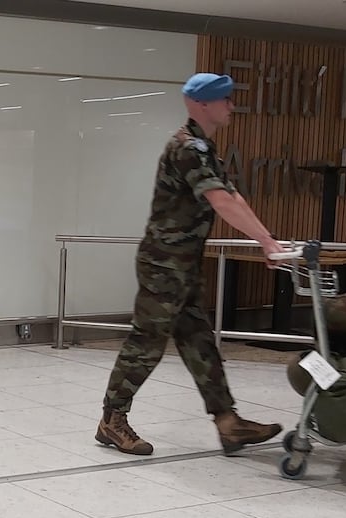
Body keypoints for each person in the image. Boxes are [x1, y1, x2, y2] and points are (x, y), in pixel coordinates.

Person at [95, 72, 287, 456]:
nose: (231, 106)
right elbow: (221, 202)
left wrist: (268, 240)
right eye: (225, 99)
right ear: (202, 104)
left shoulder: (204, 148)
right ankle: (111, 420)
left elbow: (234, 197)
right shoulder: (187, 148)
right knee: (146, 342)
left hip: (182, 266)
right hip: (164, 266)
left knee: (200, 343)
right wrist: (265, 241)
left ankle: (228, 422)